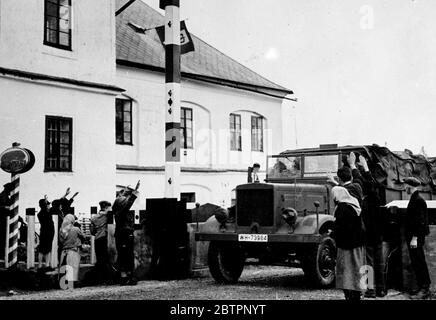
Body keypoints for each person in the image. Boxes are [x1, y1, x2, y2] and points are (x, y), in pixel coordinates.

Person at [331, 186, 366, 301]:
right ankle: (359, 292)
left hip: (346, 246)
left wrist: (332, 232)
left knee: (345, 271)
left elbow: (341, 227)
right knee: (357, 269)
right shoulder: (354, 204)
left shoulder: (341, 208)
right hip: (357, 245)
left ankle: (349, 295)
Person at [403, 177, 431, 299]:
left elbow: (421, 222)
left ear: (410, 186)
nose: (404, 188)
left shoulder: (419, 201)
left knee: (419, 262)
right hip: (413, 238)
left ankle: (425, 289)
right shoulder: (414, 199)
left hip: (416, 238)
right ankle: (421, 287)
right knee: (416, 262)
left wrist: (414, 238)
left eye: (405, 186)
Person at [113, 180, 140, 285]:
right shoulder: (122, 212)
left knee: (122, 255)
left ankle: (124, 277)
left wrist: (126, 193)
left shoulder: (117, 210)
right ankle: (128, 277)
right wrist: (134, 193)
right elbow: (127, 204)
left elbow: (124, 203)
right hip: (125, 234)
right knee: (128, 256)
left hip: (120, 235)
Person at [59, 214, 85, 288]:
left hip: (64, 251)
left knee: (65, 267)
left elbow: (61, 241)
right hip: (73, 250)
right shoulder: (76, 229)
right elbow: (83, 237)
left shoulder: (61, 230)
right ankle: (72, 285)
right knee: (73, 267)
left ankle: (63, 284)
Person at [90, 200, 111, 283]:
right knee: (105, 259)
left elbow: (92, 232)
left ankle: (100, 278)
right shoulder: (107, 215)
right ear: (106, 207)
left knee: (99, 259)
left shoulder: (93, 217)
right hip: (105, 239)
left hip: (97, 239)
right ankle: (107, 278)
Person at [37, 197, 55, 269]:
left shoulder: (39, 214)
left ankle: (40, 265)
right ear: (45, 205)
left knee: (42, 250)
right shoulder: (47, 213)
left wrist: (45, 201)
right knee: (47, 250)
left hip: (43, 233)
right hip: (48, 233)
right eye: (48, 204)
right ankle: (47, 265)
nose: (49, 206)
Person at [0, 183, 13, 258]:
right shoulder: (3, 196)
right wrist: (6, 207)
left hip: (5, 220)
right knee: (3, 238)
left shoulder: (4, 196)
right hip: (3, 221)